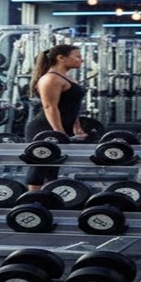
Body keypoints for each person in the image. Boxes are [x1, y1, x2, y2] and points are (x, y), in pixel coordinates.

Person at [24, 44, 87, 190]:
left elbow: (72, 105)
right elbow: (50, 107)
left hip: (59, 127)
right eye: (77, 56)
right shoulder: (51, 79)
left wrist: (76, 127)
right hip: (44, 128)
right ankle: (31, 199)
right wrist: (59, 133)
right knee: (40, 165)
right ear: (61, 58)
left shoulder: (66, 77)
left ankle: (47, 200)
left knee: (54, 167)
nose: (81, 60)